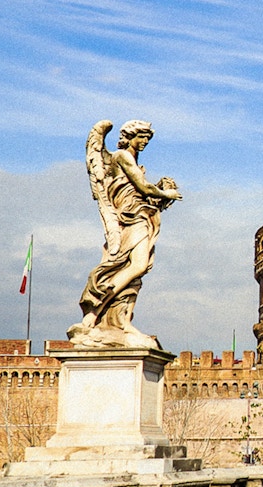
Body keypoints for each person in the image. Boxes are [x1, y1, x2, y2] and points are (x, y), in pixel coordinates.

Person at [70, 119, 181, 348]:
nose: (144, 143)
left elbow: (143, 193)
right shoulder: (122, 157)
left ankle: (122, 320)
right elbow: (142, 187)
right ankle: (94, 312)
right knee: (136, 265)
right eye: (142, 138)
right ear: (130, 136)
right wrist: (166, 194)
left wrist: (158, 196)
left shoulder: (133, 161)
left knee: (137, 270)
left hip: (140, 215)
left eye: (148, 139)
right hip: (130, 217)